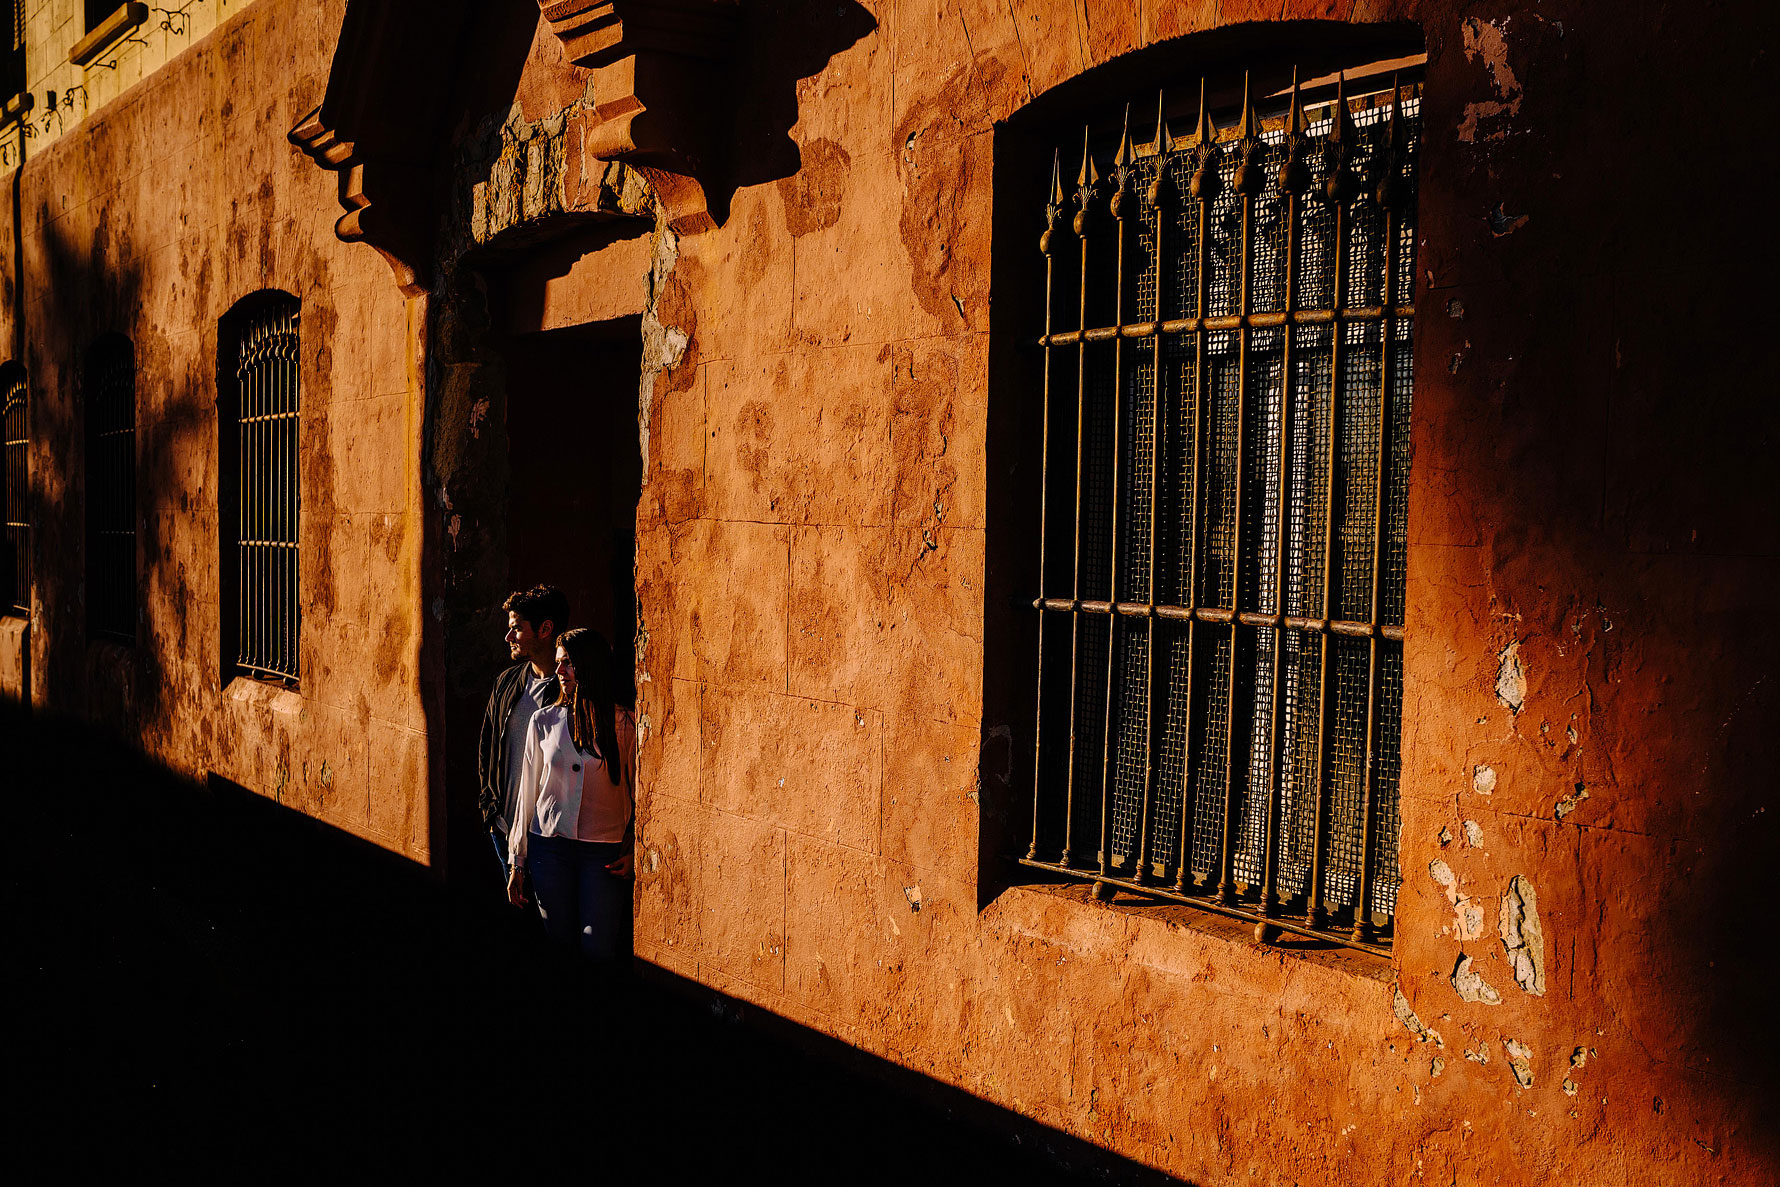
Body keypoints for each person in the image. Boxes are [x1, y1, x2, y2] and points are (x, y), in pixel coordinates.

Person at [506, 627, 635, 963]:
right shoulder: (543, 721)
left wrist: (635, 847)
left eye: (569, 664)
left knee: (597, 948)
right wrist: (516, 863)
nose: (560, 671)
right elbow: (527, 795)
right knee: (559, 947)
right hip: (550, 849)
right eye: (560, 664)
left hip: (603, 853)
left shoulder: (624, 724)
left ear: (590, 666)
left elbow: (641, 796)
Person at [476, 585, 568, 891]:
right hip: (504, 829)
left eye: (516, 628)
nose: (508, 637)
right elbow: (487, 748)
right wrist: (491, 809)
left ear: (545, 629)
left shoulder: (573, 689)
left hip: (547, 836)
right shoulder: (506, 683)